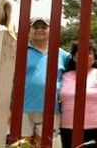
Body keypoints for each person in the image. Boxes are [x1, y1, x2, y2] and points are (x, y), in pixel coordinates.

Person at [21, 16, 71, 147]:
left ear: (51, 30)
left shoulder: (62, 55)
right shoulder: (19, 52)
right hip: (23, 108)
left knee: (43, 145)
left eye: (44, 27)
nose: (39, 30)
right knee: (22, 145)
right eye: (35, 27)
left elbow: (79, 71)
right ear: (29, 30)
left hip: (50, 109)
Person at [59, 41, 97, 148]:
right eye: (80, 51)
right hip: (67, 128)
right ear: (73, 57)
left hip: (94, 128)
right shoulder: (64, 76)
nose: (85, 54)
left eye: (89, 52)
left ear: (95, 57)